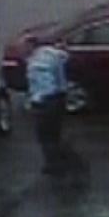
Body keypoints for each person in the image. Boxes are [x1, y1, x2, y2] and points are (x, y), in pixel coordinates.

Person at [24, 36, 87, 181]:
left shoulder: (34, 64)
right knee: (55, 131)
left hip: (44, 102)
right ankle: (66, 160)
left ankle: (54, 165)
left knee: (45, 136)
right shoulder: (53, 54)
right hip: (58, 98)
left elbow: (37, 88)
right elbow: (64, 59)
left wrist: (32, 103)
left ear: (31, 47)